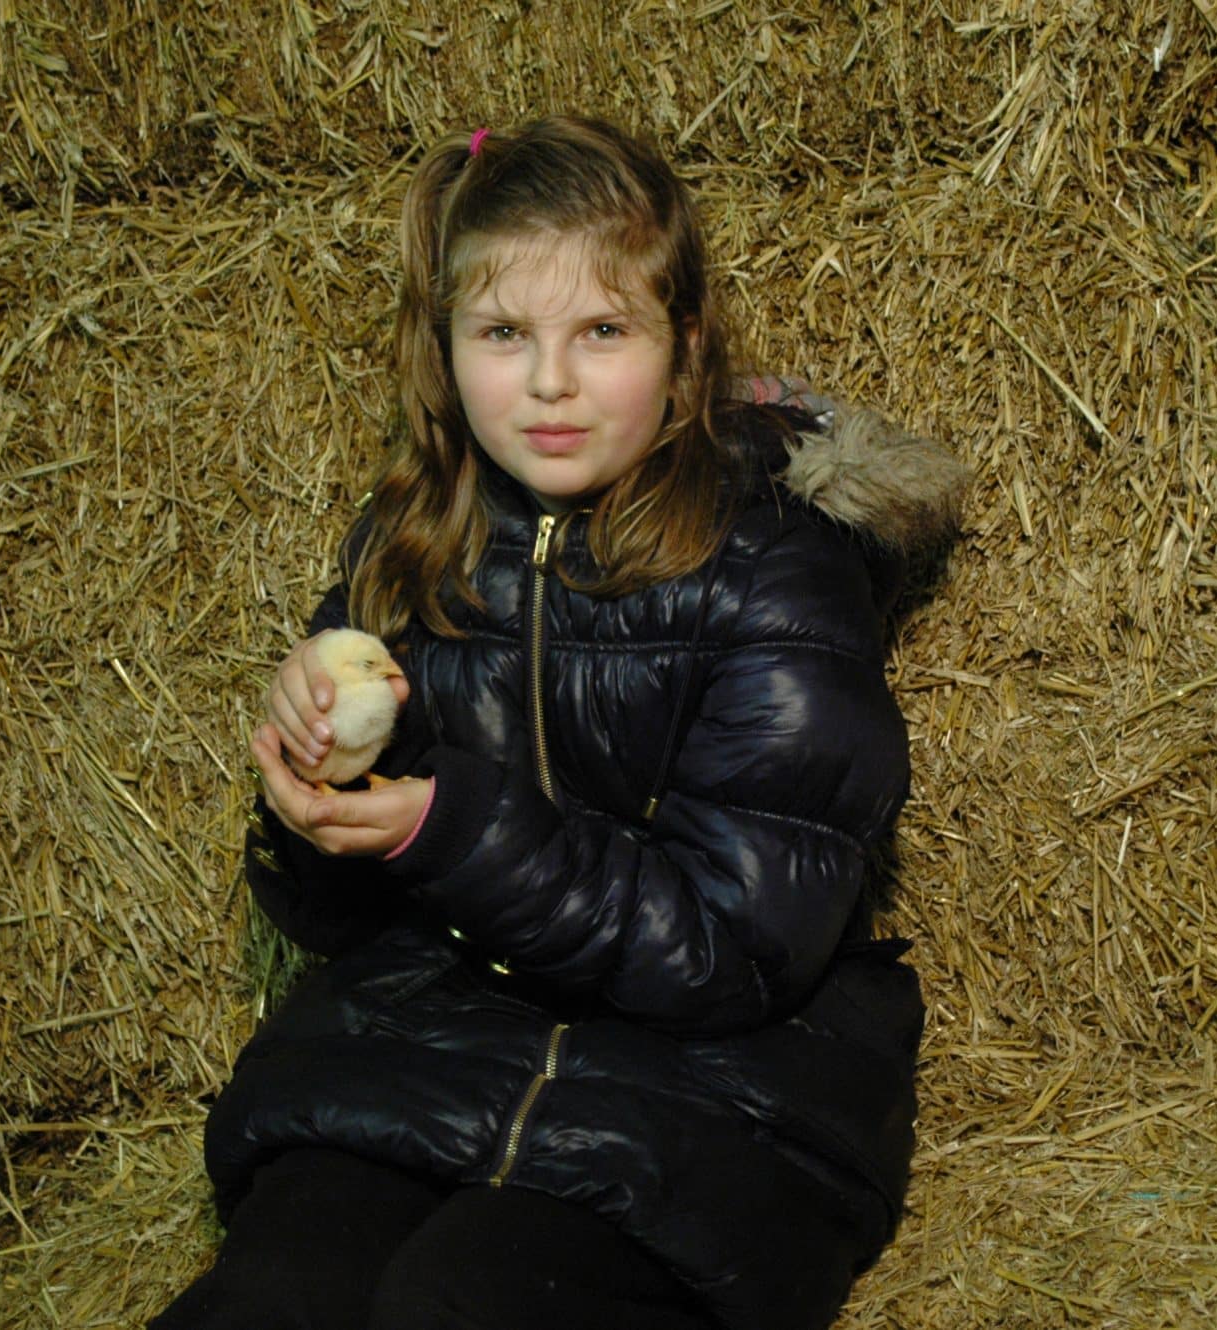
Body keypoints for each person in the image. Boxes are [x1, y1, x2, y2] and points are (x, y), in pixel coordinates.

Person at [152, 115, 964, 1330]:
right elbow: (332, 921)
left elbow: (732, 948)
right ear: (443, 348)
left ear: (685, 349)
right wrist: (315, 795)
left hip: (720, 1088)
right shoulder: (408, 548)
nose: (548, 383)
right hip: (430, 1035)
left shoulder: (776, 571)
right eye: (501, 333)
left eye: (601, 332)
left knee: (459, 1302)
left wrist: (440, 829)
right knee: (275, 1297)